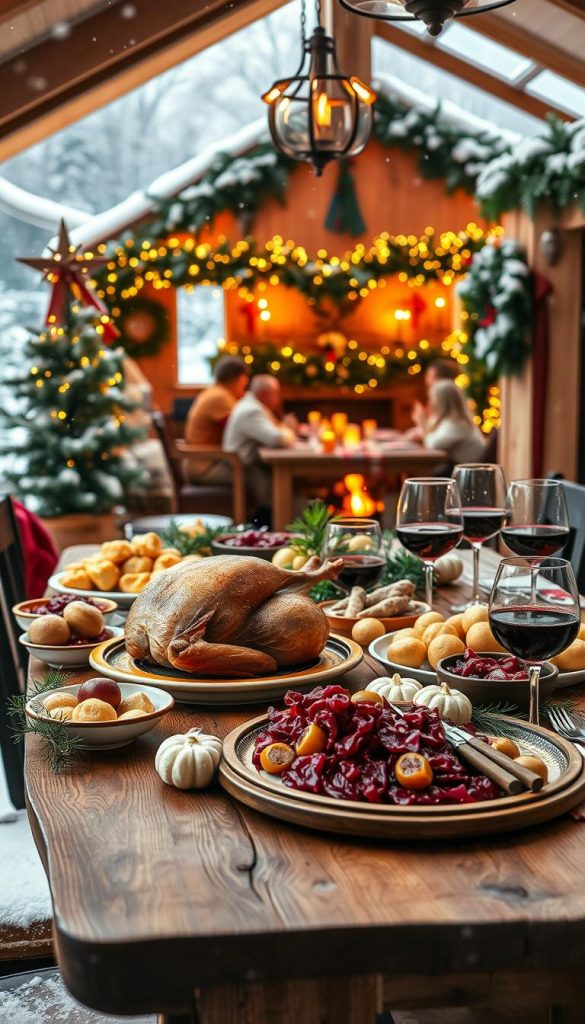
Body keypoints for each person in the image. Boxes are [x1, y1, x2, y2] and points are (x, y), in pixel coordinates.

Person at [223, 375, 296, 510]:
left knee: (293, 485)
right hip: (243, 468)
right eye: (276, 394)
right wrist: (290, 430)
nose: (278, 398)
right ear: (263, 394)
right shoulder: (252, 410)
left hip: (246, 464)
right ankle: (285, 524)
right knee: (287, 490)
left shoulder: (251, 404)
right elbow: (277, 438)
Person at [184, 355, 249, 482]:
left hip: (201, 462)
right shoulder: (221, 398)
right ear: (240, 378)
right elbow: (240, 431)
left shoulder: (213, 392)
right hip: (205, 467)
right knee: (255, 476)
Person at [416, 380, 485, 466]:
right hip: (459, 468)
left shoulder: (457, 424)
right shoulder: (453, 421)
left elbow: (433, 445)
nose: (430, 403)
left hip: (466, 472)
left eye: (432, 399)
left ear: (442, 402)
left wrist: (423, 423)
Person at [407, 358, 461, 441]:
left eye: (430, 376)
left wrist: (422, 422)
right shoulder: (435, 400)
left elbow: (435, 441)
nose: (427, 380)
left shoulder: (449, 402)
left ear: (442, 379)